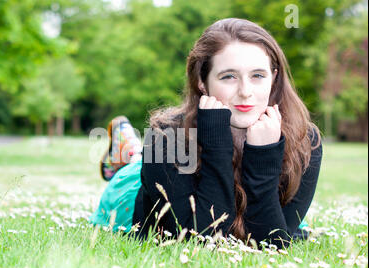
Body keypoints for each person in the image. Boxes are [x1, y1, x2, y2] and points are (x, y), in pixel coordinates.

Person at [89, 18, 322, 249]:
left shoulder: (305, 141)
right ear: (202, 81)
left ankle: (128, 148)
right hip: (133, 194)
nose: (245, 92)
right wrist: (217, 145)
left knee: (143, 159)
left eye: (258, 75)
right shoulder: (164, 137)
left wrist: (264, 155)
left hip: (164, 167)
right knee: (138, 164)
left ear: (274, 77)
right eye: (229, 76)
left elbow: (272, 242)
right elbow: (197, 238)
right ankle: (127, 152)